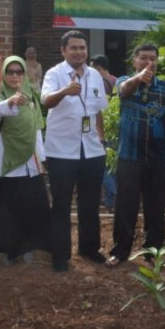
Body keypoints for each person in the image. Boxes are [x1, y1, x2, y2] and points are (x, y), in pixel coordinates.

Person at [42, 31, 109, 272]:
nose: (79, 52)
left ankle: (89, 249)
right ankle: (60, 255)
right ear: (63, 50)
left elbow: (99, 110)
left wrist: (101, 141)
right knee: (61, 204)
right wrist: (64, 92)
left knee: (90, 202)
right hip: (62, 151)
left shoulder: (94, 75)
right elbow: (45, 101)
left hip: (91, 150)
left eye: (82, 47)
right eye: (73, 48)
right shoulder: (54, 73)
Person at [106, 43, 165, 267]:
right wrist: (139, 78)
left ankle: (152, 251)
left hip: (157, 155)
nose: (149, 63)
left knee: (155, 204)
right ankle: (120, 251)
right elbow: (123, 91)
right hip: (129, 154)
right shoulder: (125, 81)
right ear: (134, 61)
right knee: (126, 204)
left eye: (153, 59)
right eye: (144, 58)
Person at [0, 56, 50, 266]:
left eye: (18, 72)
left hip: (31, 164)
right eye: (10, 72)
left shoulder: (32, 97)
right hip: (9, 162)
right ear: (4, 75)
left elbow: (37, 129)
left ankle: (27, 247)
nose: (15, 76)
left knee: (29, 207)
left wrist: (41, 159)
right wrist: (11, 101)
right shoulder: (0, 96)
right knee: (10, 209)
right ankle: (11, 250)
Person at [91, 54, 119, 211]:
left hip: (104, 127)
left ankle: (114, 193)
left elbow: (98, 108)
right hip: (114, 127)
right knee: (112, 165)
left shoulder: (100, 82)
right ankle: (110, 200)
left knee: (102, 166)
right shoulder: (116, 80)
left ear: (98, 68)